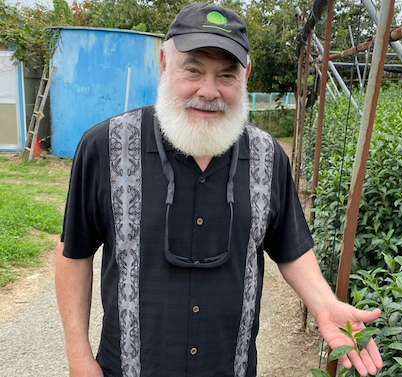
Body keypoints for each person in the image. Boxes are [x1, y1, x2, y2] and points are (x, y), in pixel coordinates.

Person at [54, 3, 383, 377]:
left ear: (245, 77)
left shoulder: (268, 157)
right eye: (192, 70)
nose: (208, 91)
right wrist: (78, 356)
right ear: (164, 65)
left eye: (226, 76)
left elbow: (290, 248)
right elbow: (74, 254)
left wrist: (325, 305)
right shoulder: (105, 146)